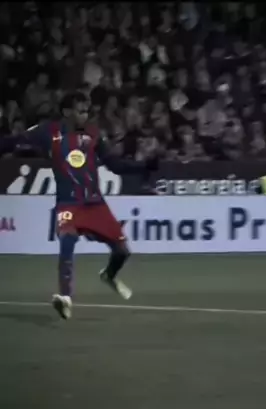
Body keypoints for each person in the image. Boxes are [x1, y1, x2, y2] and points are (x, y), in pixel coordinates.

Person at [0, 92, 159, 320]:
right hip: (68, 203)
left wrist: (143, 167)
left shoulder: (93, 134)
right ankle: (65, 297)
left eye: (87, 111)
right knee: (68, 239)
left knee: (122, 251)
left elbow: (114, 164)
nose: (85, 115)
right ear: (67, 112)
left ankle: (109, 275)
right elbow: (13, 141)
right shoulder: (48, 131)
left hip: (95, 204)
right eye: (81, 111)